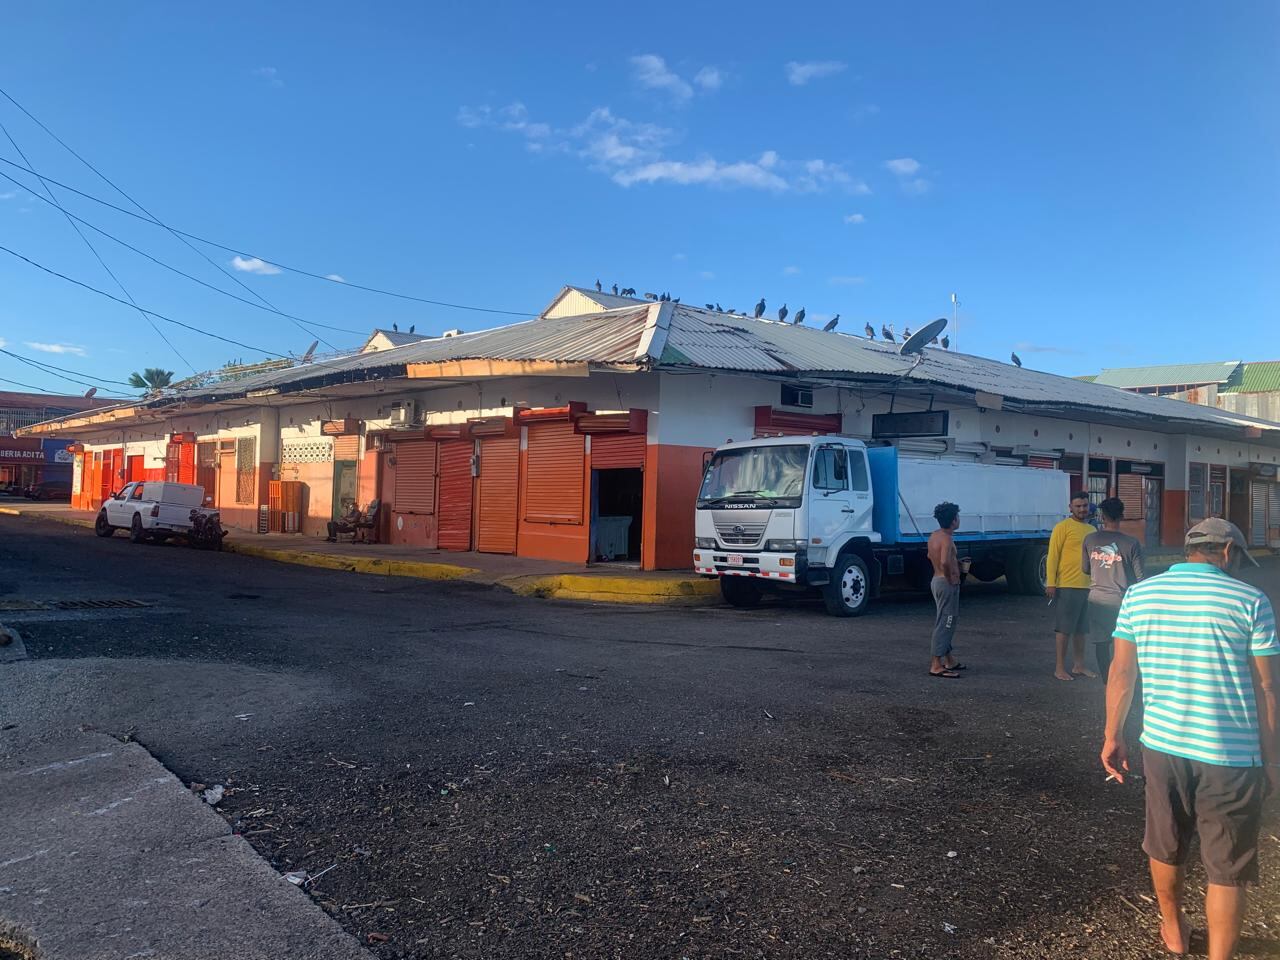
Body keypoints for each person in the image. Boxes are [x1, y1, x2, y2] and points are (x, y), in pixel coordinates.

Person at [1101, 518, 1277, 960]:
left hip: (1162, 743)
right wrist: (1271, 760)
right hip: (1233, 753)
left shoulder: (1139, 596)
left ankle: (1174, 929)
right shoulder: (1251, 600)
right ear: (1228, 553)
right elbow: (1266, 688)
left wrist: (1112, 736)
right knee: (1228, 864)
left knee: (1165, 840)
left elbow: (1122, 674)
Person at [1081, 497, 1145, 682]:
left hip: (1096, 598)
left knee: (1101, 643)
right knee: (1124, 642)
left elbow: (1085, 569)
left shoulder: (1090, 539)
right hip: (1122, 601)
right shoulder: (1131, 543)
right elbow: (1140, 577)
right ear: (1122, 516)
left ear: (1102, 516)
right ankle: (1124, 679)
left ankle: (1107, 681)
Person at [1046, 491, 1097, 681]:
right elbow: (1053, 556)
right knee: (1064, 629)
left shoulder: (1092, 530)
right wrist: (1051, 582)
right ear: (1070, 507)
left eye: (1085, 505)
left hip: (1088, 586)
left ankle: (1079, 665)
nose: (1082, 509)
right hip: (1067, 585)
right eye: (1078, 506)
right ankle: (1059, 668)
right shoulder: (1062, 527)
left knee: (1081, 629)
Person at [927, 501, 965, 678]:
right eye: (957, 516)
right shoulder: (947, 539)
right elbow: (943, 561)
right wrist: (951, 576)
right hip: (946, 583)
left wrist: (956, 564)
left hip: (936, 580)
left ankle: (949, 659)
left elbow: (930, 555)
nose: (959, 519)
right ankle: (936, 664)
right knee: (947, 622)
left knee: (944, 618)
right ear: (953, 520)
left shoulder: (935, 536)